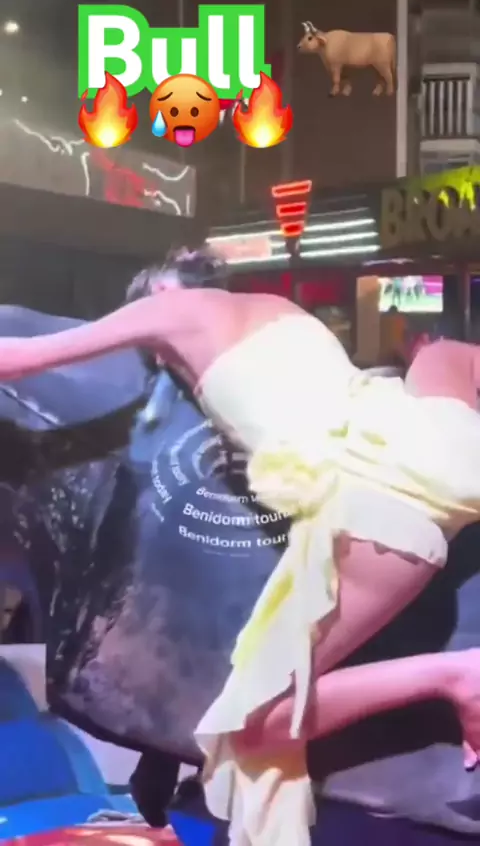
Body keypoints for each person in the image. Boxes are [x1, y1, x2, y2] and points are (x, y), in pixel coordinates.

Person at [1, 248, 480, 844]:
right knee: (441, 356)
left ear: (160, 293)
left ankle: (455, 676)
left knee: (254, 723)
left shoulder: (173, 313)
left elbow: (19, 357)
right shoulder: (279, 311)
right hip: (424, 430)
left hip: (384, 499)